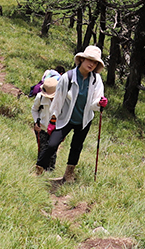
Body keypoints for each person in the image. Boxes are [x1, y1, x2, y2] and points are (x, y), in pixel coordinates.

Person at [35, 45, 108, 180]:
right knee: (52, 144)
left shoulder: (96, 80)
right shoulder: (67, 77)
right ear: (82, 59)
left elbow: (95, 101)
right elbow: (58, 100)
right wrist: (53, 119)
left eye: (95, 62)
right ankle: (38, 169)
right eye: (89, 60)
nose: (91, 64)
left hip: (84, 119)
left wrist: (99, 103)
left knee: (76, 146)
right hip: (65, 118)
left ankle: (68, 175)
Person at [30, 70, 59, 156]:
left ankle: (51, 169)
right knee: (42, 150)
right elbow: (34, 109)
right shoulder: (40, 97)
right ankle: (41, 167)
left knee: (53, 150)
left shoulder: (62, 99)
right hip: (42, 127)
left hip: (55, 129)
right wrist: (36, 122)